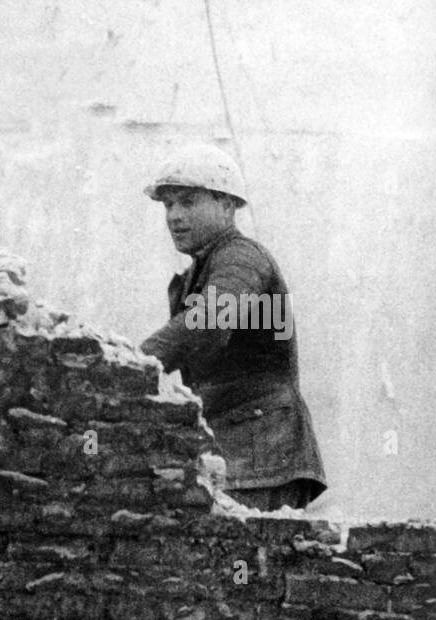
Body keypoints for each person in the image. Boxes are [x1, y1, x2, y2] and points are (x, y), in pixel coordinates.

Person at [139, 143, 327, 510]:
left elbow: (208, 320)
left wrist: (131, 363)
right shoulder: (200, 270)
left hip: (263, 450)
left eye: (189, 202)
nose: (174, 215)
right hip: (236, 445)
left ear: (227, 205)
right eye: (168, 204)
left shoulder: (241, 258)